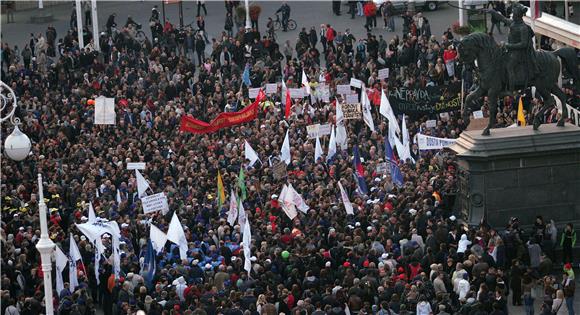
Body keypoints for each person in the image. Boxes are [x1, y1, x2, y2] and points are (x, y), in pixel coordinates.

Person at [487, 3, 538, 91]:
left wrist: (507, 45)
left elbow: (523, 44)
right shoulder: (513, 23)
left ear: (517, 16)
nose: (512, 15)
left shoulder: (523, 28)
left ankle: (511, 88)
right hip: (511, 50)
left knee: (509, 66)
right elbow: (502, 18)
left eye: (513, 14)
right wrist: (491, 11)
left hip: (519, 52)